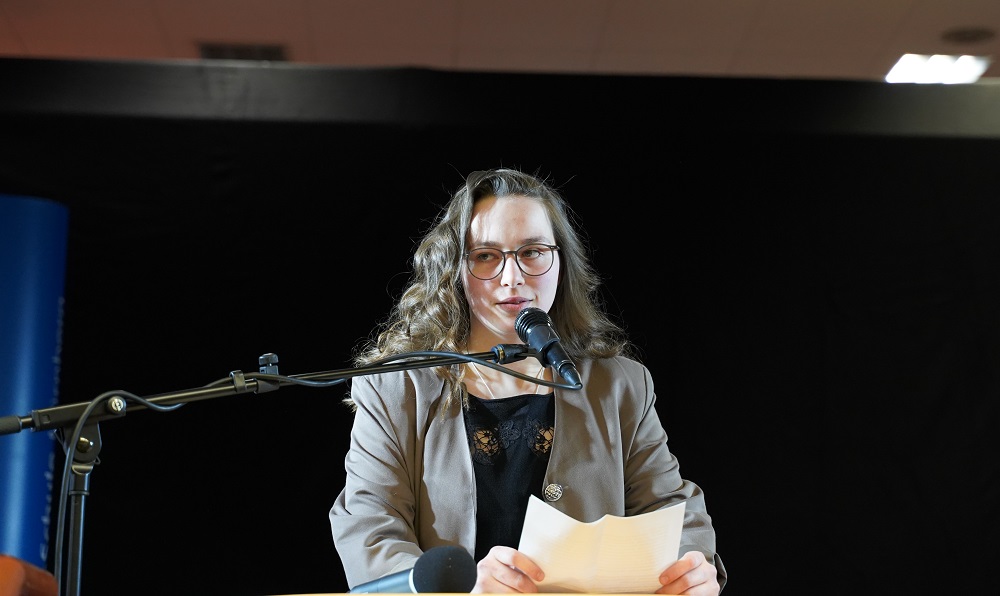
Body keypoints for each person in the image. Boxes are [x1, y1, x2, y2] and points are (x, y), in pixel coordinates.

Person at [329, 167, 726, 594]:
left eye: (532, 252)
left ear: (561, 262)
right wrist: (460, 592)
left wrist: (692, 568)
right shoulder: (395, 387)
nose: (512, 277)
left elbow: (671, 507)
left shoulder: (620, 383)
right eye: (486, 256)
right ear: (454, 270)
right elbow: (370, 526)